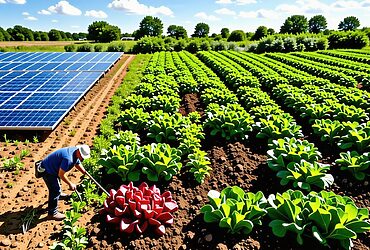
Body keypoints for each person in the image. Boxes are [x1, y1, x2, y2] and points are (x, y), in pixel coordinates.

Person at [41, 145, 90, 220]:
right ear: (79, 153)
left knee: (57, 185)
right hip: (48, 170)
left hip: (53, 167)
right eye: (83, 157)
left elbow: (77, 162)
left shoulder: (75, 151)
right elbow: (61, 174)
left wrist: (84, 172)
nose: (83, 159)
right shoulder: (68, 159)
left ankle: (59, 195)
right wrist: (70, 184)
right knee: (55, 190)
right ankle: (52, 213)